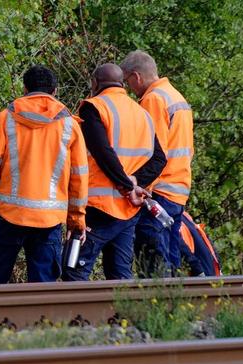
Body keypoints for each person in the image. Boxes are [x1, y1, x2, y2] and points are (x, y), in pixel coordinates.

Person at [0, 65, 89, 284]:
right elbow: (79, 178)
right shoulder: (69, 125)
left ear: (25, 88)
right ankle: (40, 320)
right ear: (55, 91)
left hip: (9, 213)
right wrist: (76, 220)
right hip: (49, 219)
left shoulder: (6, 118)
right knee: (43, 287)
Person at [63, 63, 167, 282]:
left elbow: (103, 154)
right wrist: (135, 183)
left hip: (98, 207)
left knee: (73, 270)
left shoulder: (94, 107)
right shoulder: (142, 114)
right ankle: (122, 317)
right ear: (121, 83)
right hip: (129, 210)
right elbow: (159, 159)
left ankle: (77, 316)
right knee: (119, 277)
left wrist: (128, 185)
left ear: (95, 83)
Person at [122, 50, 194, 276]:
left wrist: (142, 189)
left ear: (136, 76)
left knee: (154, 262)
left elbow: (153, 152)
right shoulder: (175, 96)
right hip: (178, 190)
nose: (128, 88)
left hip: (159, 192)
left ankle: (157, 306)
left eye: (127, 81)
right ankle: (172, 308)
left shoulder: (153, 99)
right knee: (171, 261)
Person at [178, 211, 220, 276]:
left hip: (208, 270)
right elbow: (181, 246)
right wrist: (198, 269)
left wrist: (217, 263)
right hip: (196, 274)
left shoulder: (184, 215)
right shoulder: (169, 217)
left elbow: (204, 239)